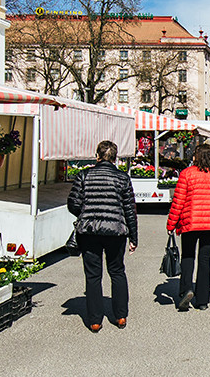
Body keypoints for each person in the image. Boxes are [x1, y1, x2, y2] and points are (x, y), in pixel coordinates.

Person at [67, 140, 139, 332]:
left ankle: (95, 320)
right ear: (115, 158)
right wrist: (133, 237)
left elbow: (72, 204)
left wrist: (87, 213)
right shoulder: (122, 178)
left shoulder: (84, 175)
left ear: (97, 156)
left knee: (93, 275)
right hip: (116, 231)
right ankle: (121, 315)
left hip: (89, 231)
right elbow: (130, 210)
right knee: (117, 272)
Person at [165, 143, 210, 312]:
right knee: (205, 260)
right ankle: (203, 300)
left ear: (196, 158)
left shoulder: (187, 174)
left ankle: (186, 291)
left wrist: (171, 224)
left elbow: (178, 202)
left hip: (190, 222)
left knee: (188, 256)